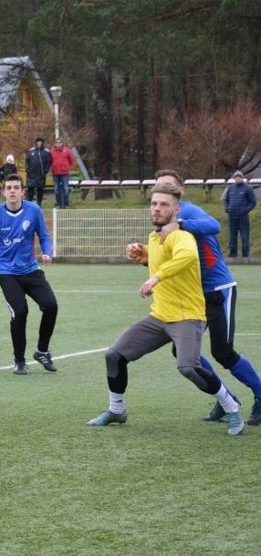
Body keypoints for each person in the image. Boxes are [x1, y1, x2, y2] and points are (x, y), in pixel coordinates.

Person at [88, 181, 245, 436]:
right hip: (160, 316)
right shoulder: (155, 237)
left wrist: (156, 277)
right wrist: (140, 254)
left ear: (176, 209)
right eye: (154, 204)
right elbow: (158, 257)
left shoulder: (183, 236)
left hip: (188, 317)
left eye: (164, 205)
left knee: (188, 367)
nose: (157, 209)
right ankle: (117, 410)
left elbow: (187, 257)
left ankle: (232, 406)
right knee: (114, 356)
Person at [128, 169, 261, 426]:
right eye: (159, 188)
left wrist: (181, 224)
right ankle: (226, 400)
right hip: (195, 295)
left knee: (222, 352)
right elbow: (173, 262)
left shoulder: (186, 212)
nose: (162, 193)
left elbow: (214, 225)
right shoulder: (164, 219)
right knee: (183, 350)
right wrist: (144, 257)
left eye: (169, 187)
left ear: (181, 192)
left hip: (219, 289)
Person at [0, 174, 58, 375]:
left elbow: (44, 235)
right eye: (9, 187)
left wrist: (47, 252)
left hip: (31, 269)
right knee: (20, 312)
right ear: (3, 191)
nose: (12, 191)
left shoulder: (34, 210)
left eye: (16, 187)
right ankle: (19, 360)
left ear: (23, 191)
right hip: (7, 272)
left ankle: (42, 351)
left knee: (51, 306)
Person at [223, 171, 256, 258]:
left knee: (244, 236)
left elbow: (252, 202)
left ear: (242, 178)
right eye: (236, 177)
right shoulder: (230, 188)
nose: (237, 178)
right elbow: (226, 200)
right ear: (234, 178)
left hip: (243, 217)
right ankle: (233, 254)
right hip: (232, 216)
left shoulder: (248, 188)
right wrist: (227, 209)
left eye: (239, 177)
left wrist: (245, 210)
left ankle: (245, 255)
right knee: (232, 236)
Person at [25, 137, 52, 206]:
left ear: (42, 143)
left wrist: (45, 170)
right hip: (31, 174)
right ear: (36, 143)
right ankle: (29, 203)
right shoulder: (31, 151)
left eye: (40, 142)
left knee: (40, 189)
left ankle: (39, 203)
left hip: (41, 174)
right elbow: (27, 160)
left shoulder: (46, 152)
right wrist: (28, 169)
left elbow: (49, 162)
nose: (39, 143)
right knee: (30, 189)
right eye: (38, 142)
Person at [49, 139, 74, 209]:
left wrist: (67, 167)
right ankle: (59, 204)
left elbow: (71, 160)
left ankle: (66, 204)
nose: (58, 144)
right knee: (56, 189)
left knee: (65, 189)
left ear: (62, 143)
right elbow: (49, 161)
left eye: (60, 142)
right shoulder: (52, 151)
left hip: (65, 173)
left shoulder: (67, 150)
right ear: (55, 144)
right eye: (57, 143)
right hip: (55, 173)